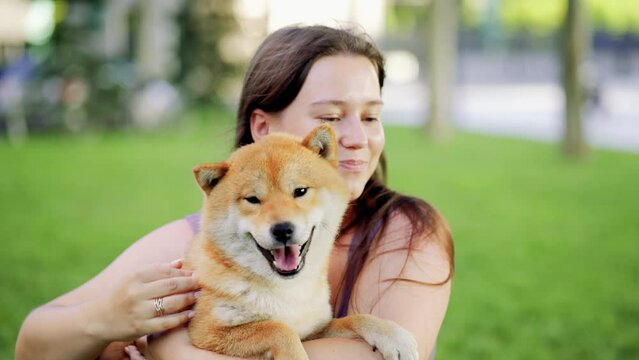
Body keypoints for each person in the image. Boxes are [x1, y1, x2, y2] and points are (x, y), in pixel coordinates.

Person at [15, 24, 454, 360]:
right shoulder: (202, 241)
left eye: (372, 116)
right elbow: (34, 341)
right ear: (262, 128)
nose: (356, 138)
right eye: (332, 118)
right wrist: (107, 320)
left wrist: (175, 351)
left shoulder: (406, 233)